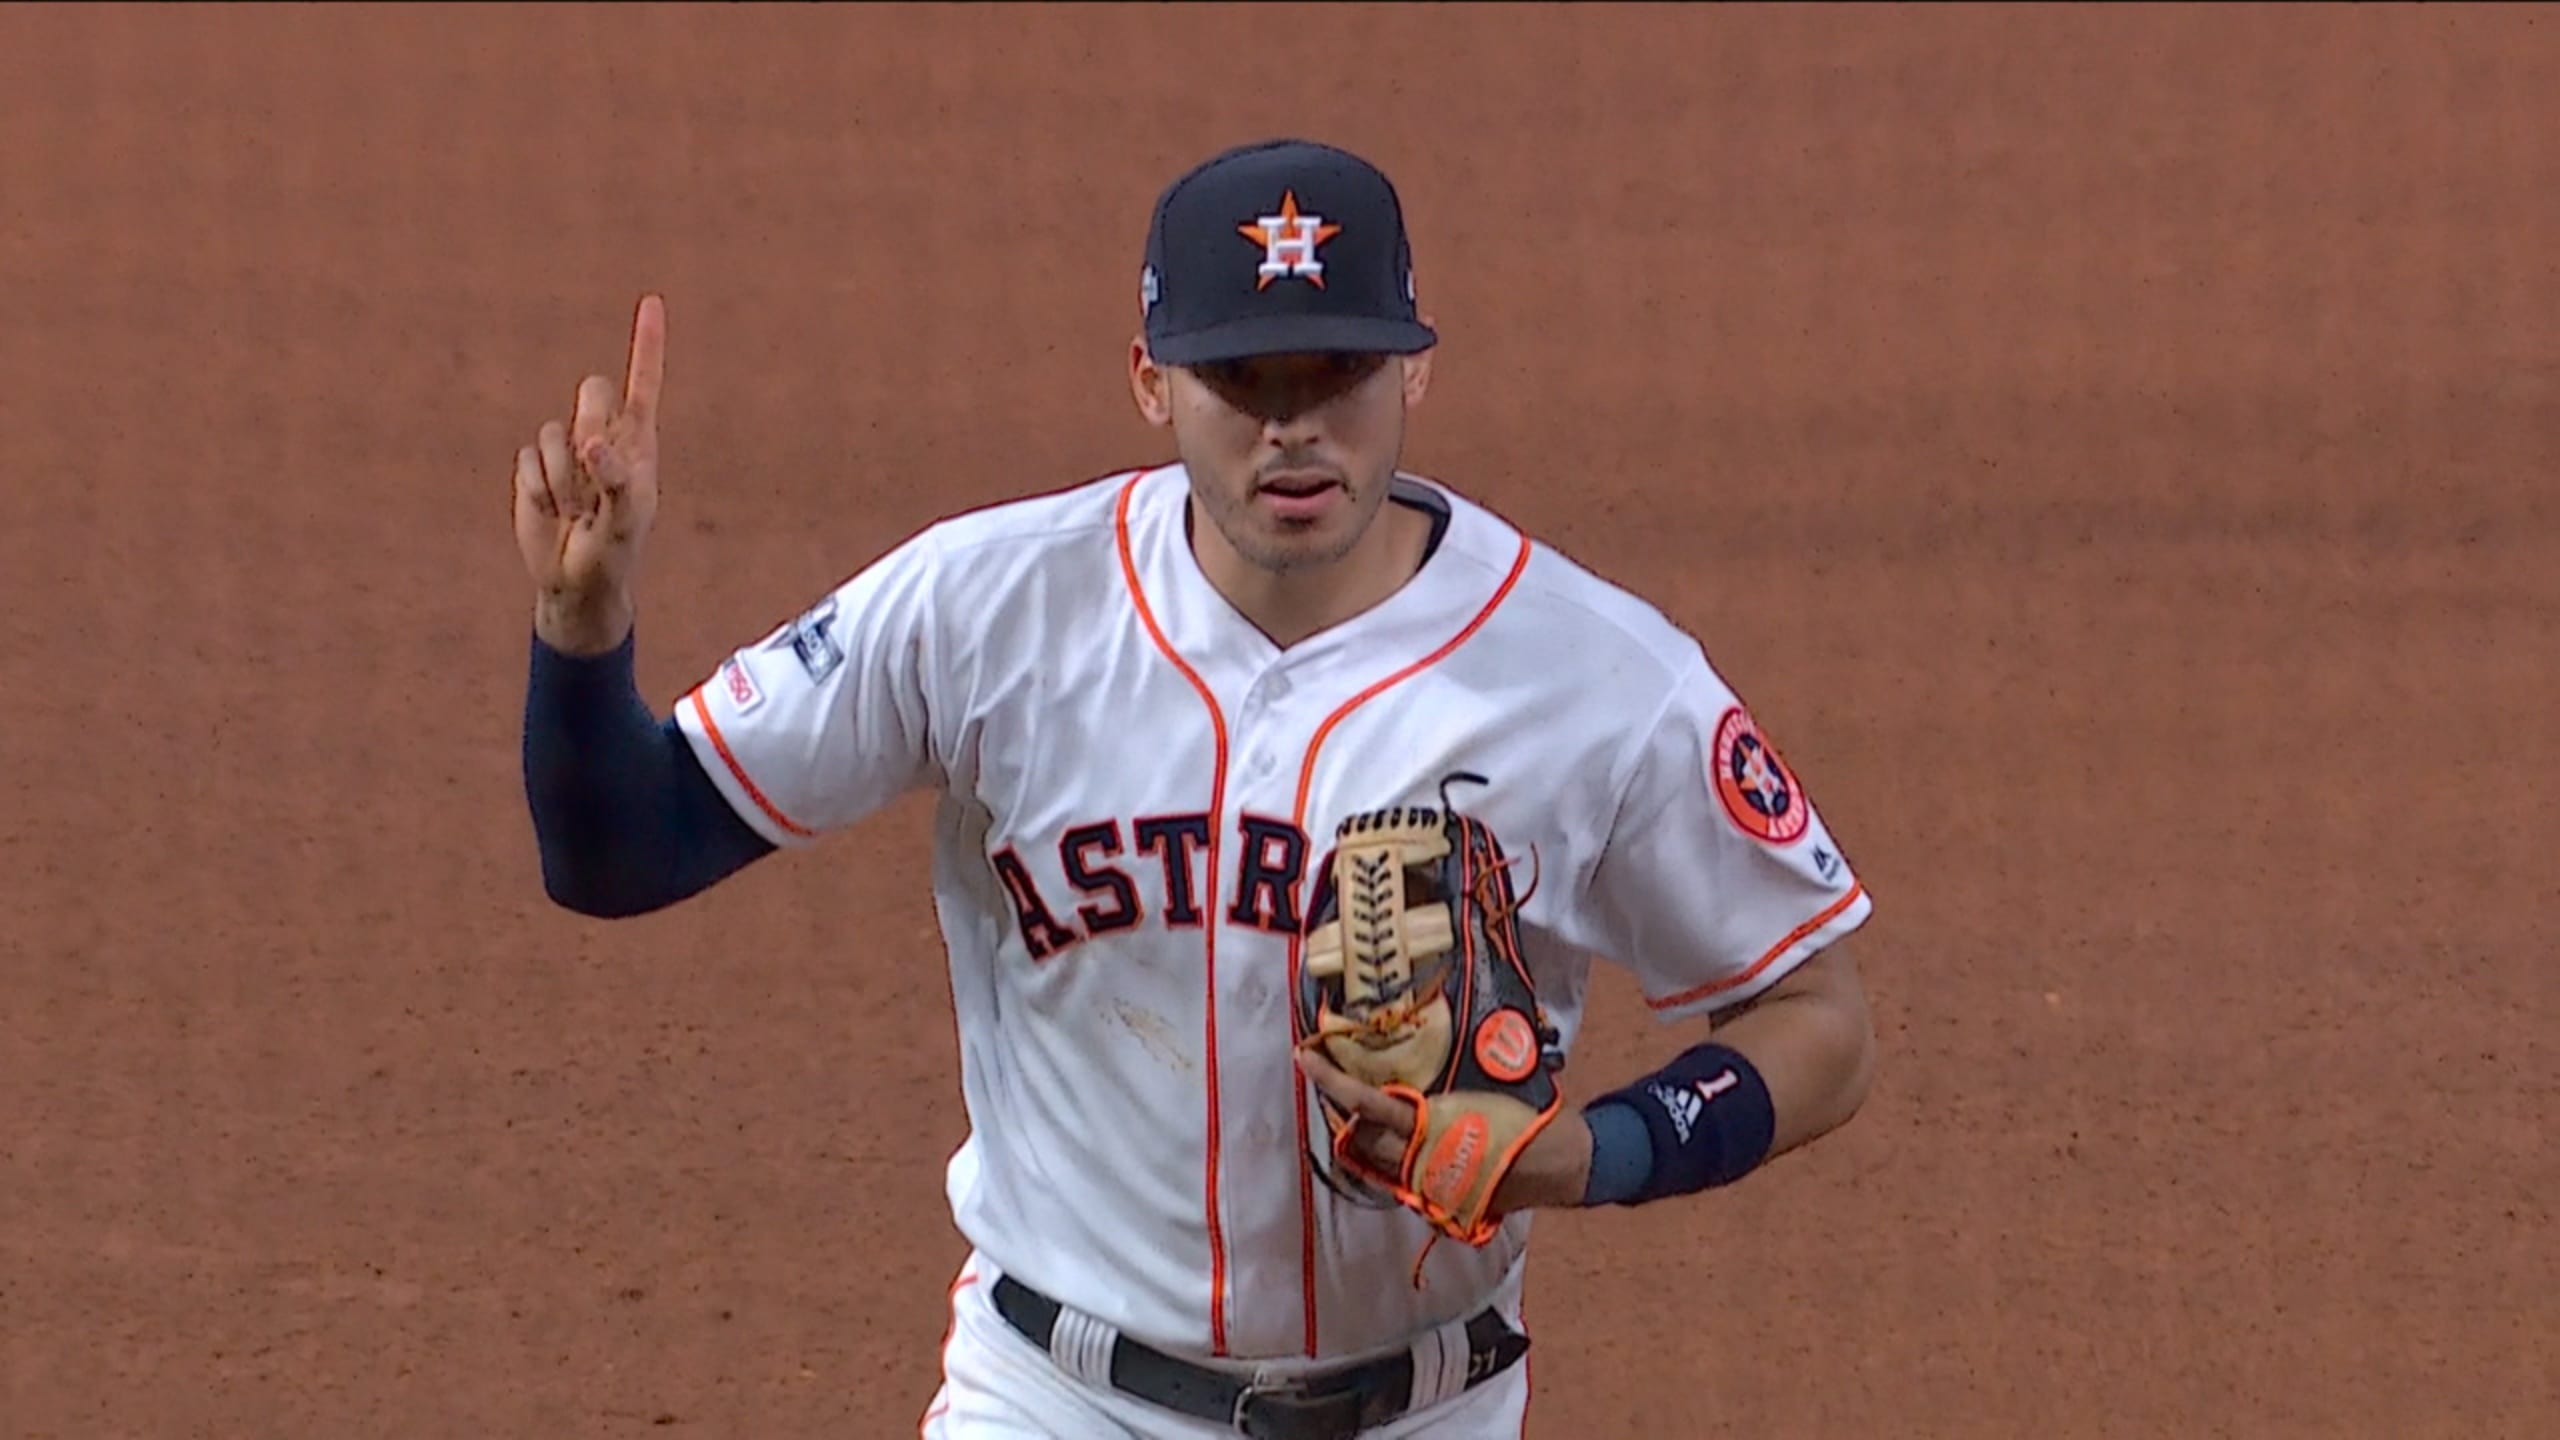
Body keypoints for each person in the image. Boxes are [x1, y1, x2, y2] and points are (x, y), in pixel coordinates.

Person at [513, 137, 1878, 1440]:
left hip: (1430, 1406)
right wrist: (586, 637)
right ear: (1152, 381)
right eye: (1243, 380)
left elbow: (1820, 1021)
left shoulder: (1597, 681)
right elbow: (623, 852)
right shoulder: (988, 609)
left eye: (1337, 373)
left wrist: (1588, 1154)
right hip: (1055, 1397)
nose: (1292, 430)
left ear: (1415, 376)